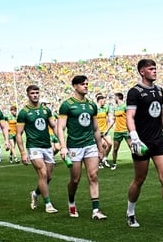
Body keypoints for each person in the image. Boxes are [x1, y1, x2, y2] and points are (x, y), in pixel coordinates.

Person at [125, 59, 163, 230]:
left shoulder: (159, 90)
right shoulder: (134, 92)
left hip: (159, 141)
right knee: (139, 179)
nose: (154, 71)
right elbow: (129, 116)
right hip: (142, 142)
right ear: (142, 72)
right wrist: (134, 137)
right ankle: (130, 213)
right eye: (151, 69)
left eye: (155, 68)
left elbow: (162, 115)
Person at [57, 75, 107, 220]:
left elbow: (96, 129)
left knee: (93, 176)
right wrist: (63, 147)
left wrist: (99, 147)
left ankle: (96, 210)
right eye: (82, 84)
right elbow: (61, 128)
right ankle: (71, 201)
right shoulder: (67, 105)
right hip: (74, 147)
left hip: (90, 145)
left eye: (86, 84)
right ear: (75, 86)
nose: (86, 86)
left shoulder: (92, 105)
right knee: (75, 179)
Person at [16, 85, 59, 214]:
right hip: (34, 147)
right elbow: (19, 134)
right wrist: (23, 152)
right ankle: (48, 204)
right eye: (32, 93)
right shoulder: (23, 112)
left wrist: (62, 142)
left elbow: (54, 126)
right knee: (43, 173)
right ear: (28, 95)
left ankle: (35, 193)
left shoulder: (45, 110)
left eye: (37, 93)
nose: (35, 95)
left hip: (46, 146)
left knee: (49, 177)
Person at [110, 92, 130, 170]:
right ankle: (114, 164)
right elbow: (114, 120)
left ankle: (137, 163)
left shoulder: (125, 106)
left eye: (114, 97)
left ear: (118, 97)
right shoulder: (115, 107)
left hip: (125, 130)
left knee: (131, 147)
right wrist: (108, 130)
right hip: (117, 131)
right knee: (115, 149)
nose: (114, 99)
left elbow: (130, 118)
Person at [96, 94, 113, 169]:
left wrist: (107, 129)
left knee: (109, 144)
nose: (105, 102)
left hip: (105, 130)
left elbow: (109, 119)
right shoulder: (95, 109)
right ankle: (99, 162)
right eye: (104, 100)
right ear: (100, 100)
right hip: (98, 131)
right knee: (101, 146)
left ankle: (104, 158)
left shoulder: (106, 108)